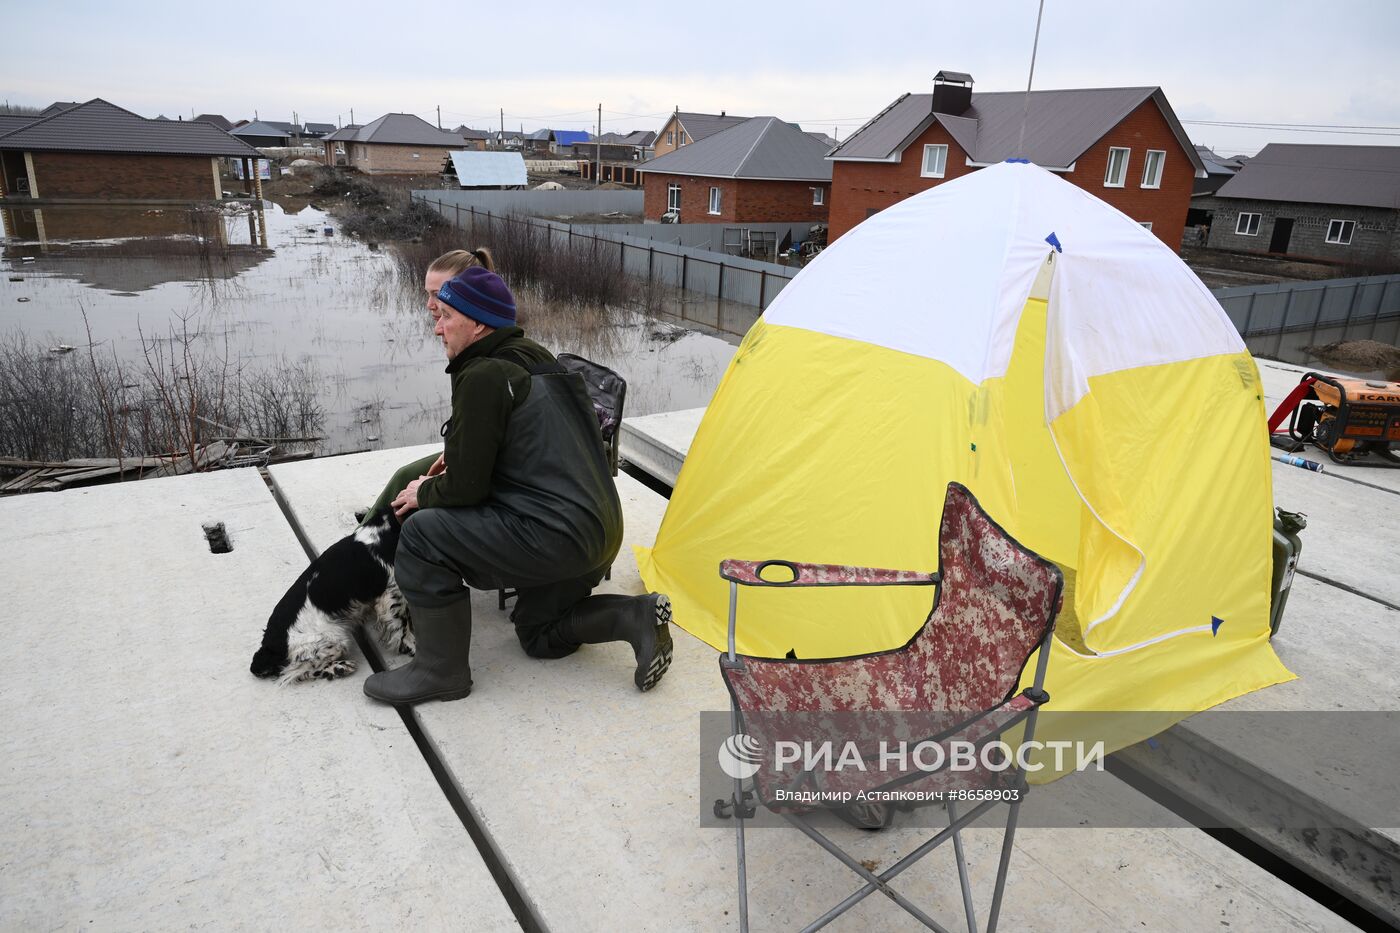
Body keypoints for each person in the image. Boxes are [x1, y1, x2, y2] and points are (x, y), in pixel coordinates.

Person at [362, 258, 672, 706]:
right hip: (599, 532)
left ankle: (438, 671)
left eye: (445, 317)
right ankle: (634, 617)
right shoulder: (537, 357)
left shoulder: (483, 375)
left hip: (554, 534)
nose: (437, 329)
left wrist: (422, 492)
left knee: (423, 534)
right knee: (540, 635)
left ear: (479, 323)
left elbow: (466, 488)